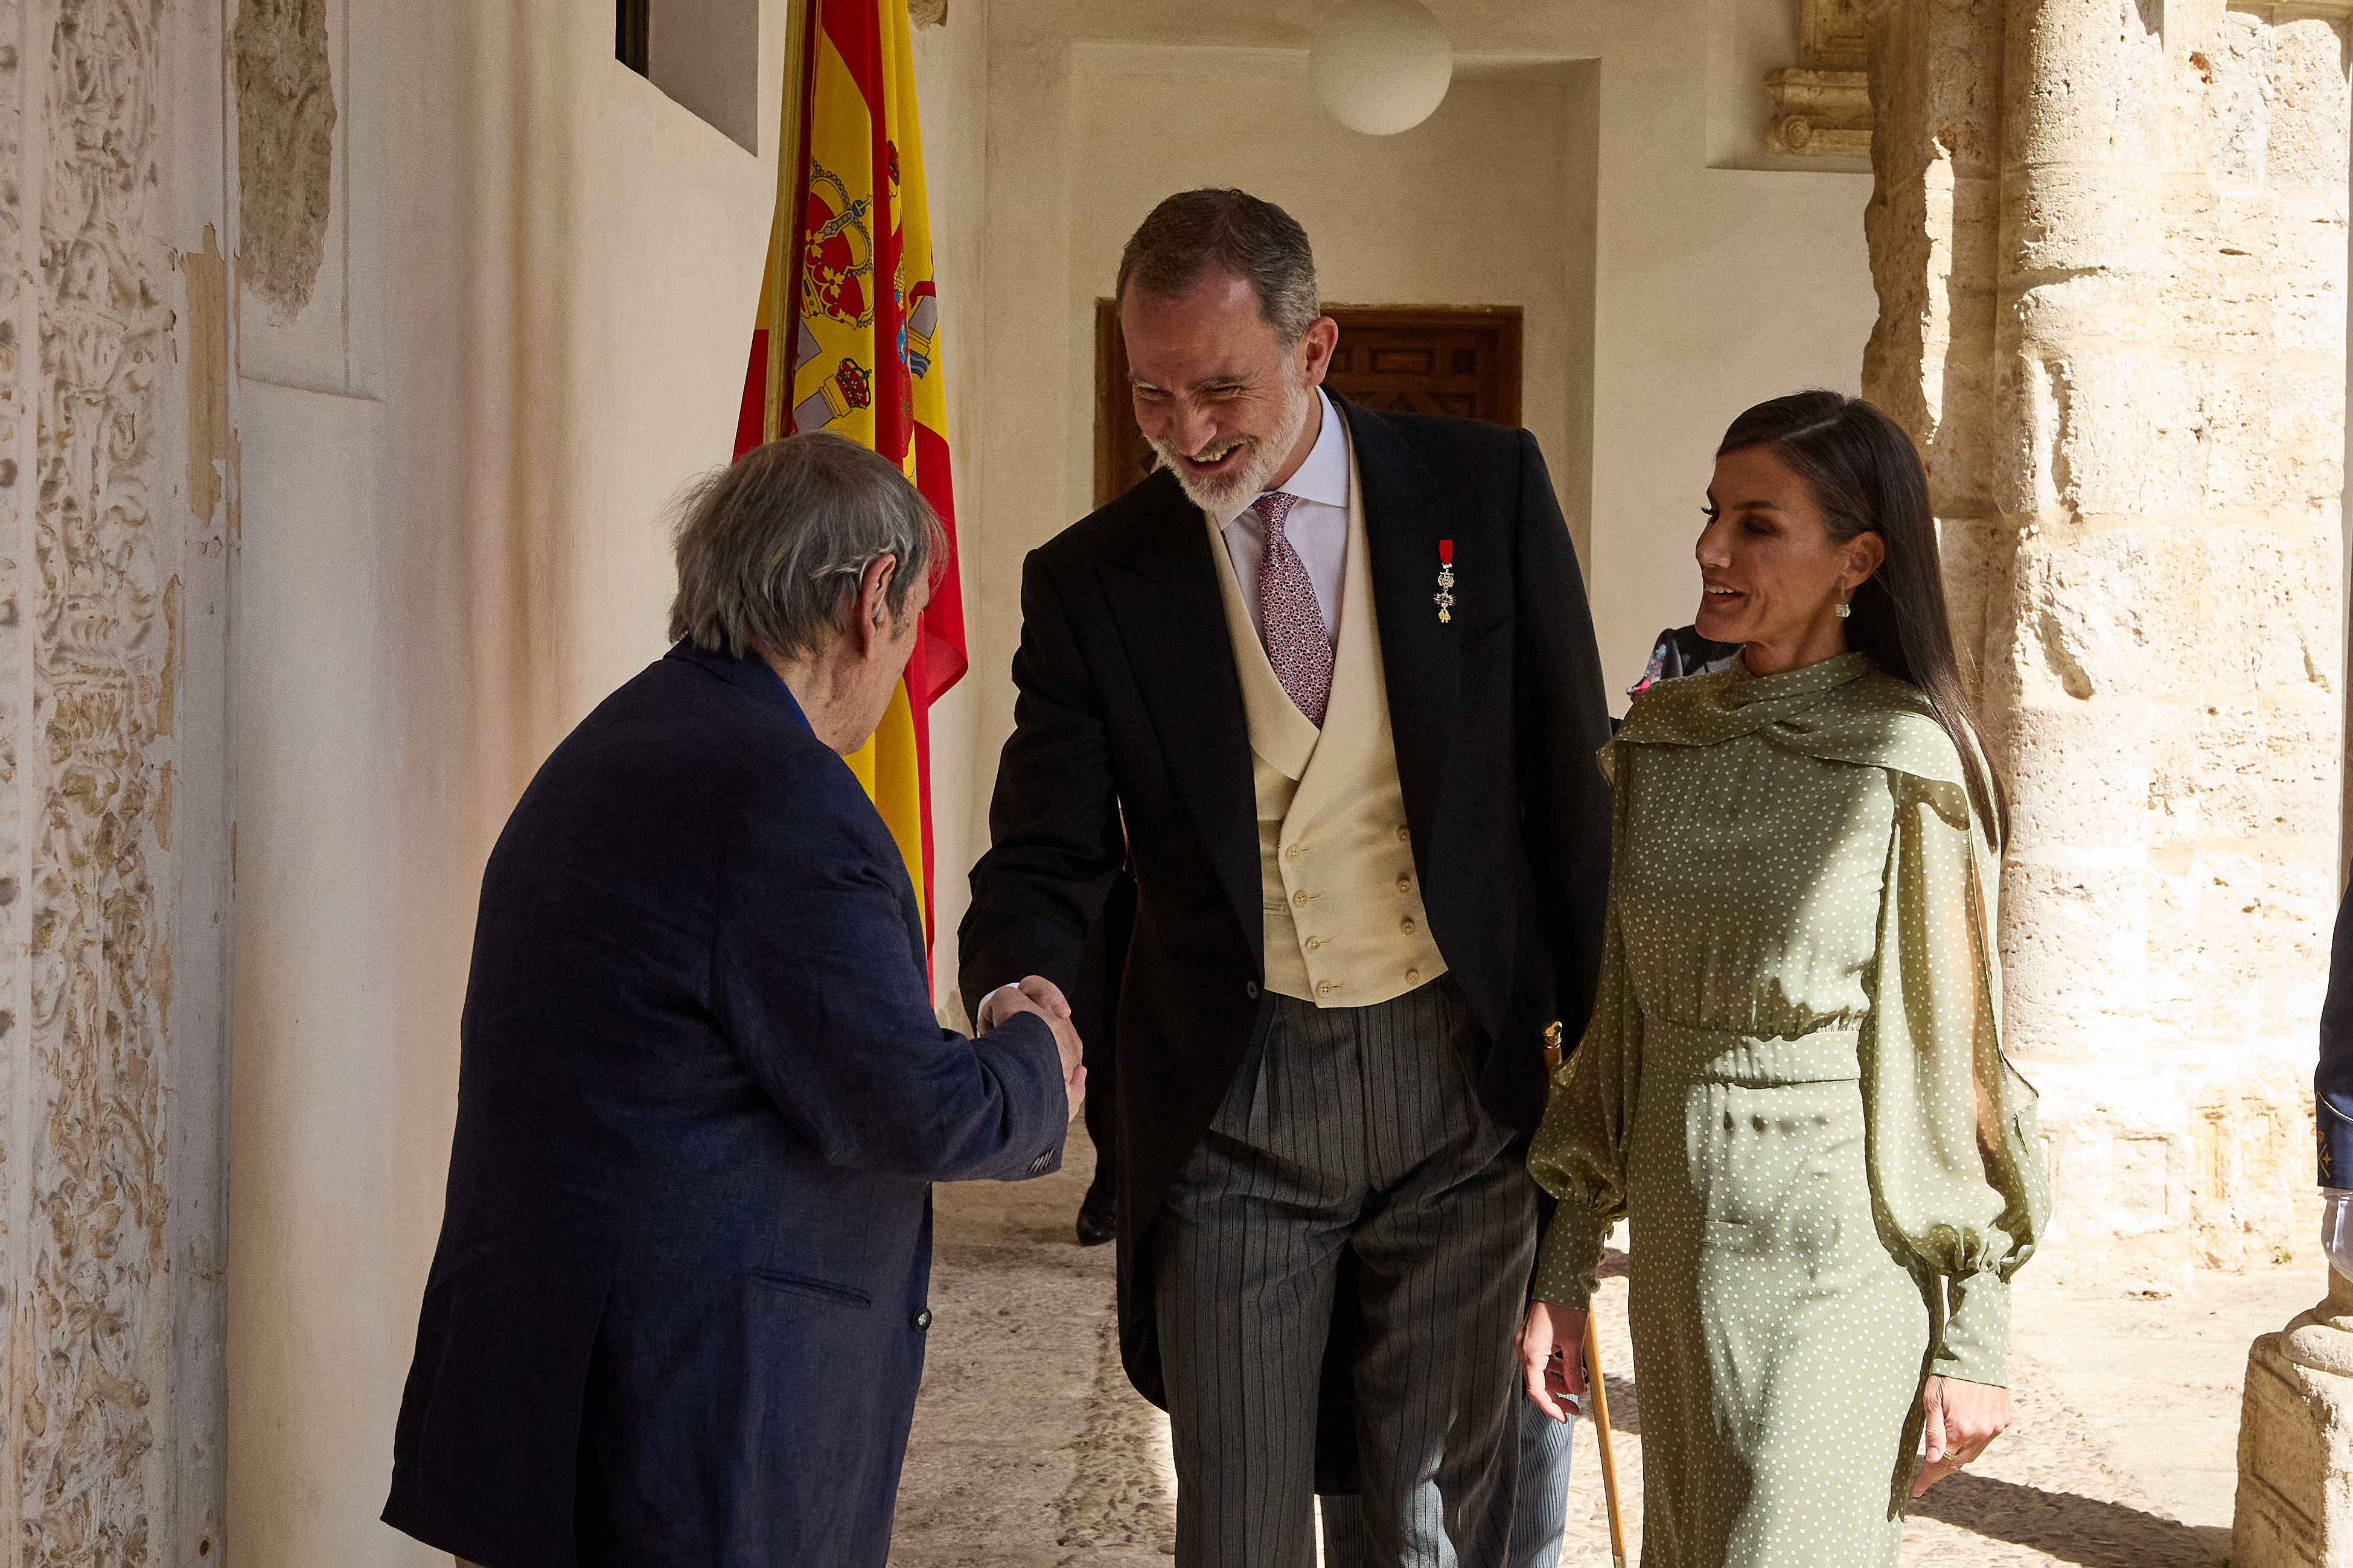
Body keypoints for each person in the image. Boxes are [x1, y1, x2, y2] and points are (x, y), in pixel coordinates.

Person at [959, 187, 1614, 1566]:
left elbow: (1566, 794)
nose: (1186, 433)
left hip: (1461, 1088)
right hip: (1238, 1103)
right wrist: (1021, 985)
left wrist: (1601, 1095)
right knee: (1240, 1525)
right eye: (1149, 394)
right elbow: (1048, 844)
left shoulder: (1481, 491)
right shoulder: (1092, 579)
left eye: (1218, 389)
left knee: (1427, 1520)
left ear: (1315, 353)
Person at [382, 433, 1084, 1568]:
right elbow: (902, 1104)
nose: (901, 657)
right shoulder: (778, 799)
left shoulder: (619, 743)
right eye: (911, 624)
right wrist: (1033, 1058)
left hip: (551, 1387)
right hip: (677, 1420)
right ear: (872, 597)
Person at [1518, 390, 2051, 1566]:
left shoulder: (1908, 761)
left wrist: (1973, 1335)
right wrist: (1562, 1268)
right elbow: (1619, 1036)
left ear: (1855, 558)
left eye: (1756, 525)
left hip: (1838, 1255)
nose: (1711, 549)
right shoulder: (1661, 746)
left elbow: (1956, 1065)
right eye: (1713, 516)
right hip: (1680, 1249)